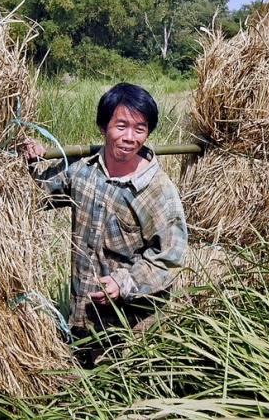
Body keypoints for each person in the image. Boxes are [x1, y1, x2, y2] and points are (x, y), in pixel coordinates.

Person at [23, 83, 188, 362]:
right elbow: (32, 194)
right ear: (103, 127)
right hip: (81, 318)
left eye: (140, 129)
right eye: (121, 126)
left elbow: (170, 256)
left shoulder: (157, 190)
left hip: (130, 328)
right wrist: (28, 159)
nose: (129, 137)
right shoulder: (82, 169)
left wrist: (124, 283)